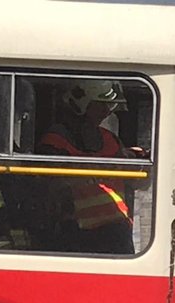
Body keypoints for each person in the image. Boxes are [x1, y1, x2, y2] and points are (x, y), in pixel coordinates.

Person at [37, 80, 137, 254]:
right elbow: (50, 186)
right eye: (100, 105)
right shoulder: (55, 142)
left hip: (117, 229)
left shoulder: (110, 139)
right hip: (75, 233)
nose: (106, 111)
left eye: (110, 106)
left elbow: (134, 181)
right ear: (81, 103)